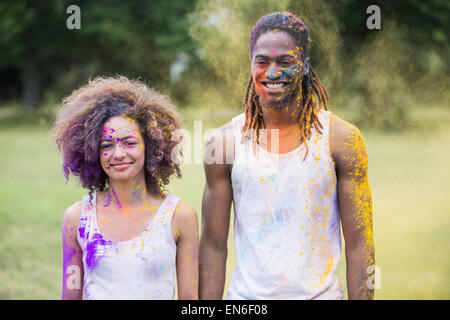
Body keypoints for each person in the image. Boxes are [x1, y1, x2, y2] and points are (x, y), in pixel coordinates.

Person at [199, 12, 375, 300]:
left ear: (304, 66)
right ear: (252, 66)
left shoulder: (342, 140)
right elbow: (213, 245)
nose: (272, 72)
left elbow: (360, 244)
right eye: (262, 62)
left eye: (285, 62)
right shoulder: (224, 143)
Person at [54, 76, 199, 300]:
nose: (118, 153)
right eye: (107, 145)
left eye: (129, 143)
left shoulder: (179, 216)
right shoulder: (77, 219)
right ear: (91, 151)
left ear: (151, 146)